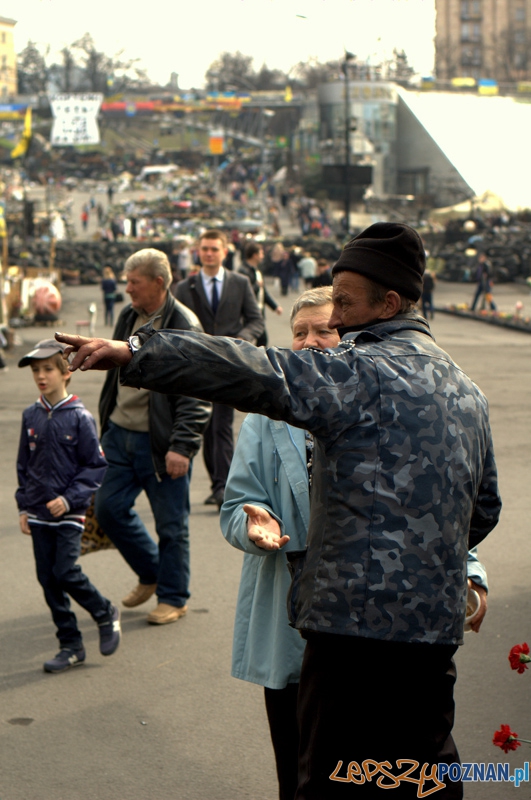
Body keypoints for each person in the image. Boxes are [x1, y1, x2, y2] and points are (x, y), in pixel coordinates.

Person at [57, 221, 501, 799]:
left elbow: (250, 369)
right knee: (425, 781)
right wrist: (423, 561)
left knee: (332, 782)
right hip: (431, 642)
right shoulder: (468, 390)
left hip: (349, 639)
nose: (336, 318)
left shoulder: (356, 371)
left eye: (344, 302)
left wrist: (136, 350)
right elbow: (483, 508)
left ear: (389, 303)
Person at [221, 286, 491, 800]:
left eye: (324, 329)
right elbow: (239, 504)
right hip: (290, 620)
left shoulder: (386, 408)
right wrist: (252, 527)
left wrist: (470, 572)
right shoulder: (265, 417)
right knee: (299, 769)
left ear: (353, 336)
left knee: (388, 771)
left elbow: (437, 507)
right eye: (299, 333)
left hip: (376, 626)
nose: (310, 341)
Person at [96, 248, 211, 625]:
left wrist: (182, 446)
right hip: (119, 434)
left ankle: (173, 597)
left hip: (160, 443)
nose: (126, 289)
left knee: (171, 525)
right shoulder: (129, 315)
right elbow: (115, 372)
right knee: (107, 509)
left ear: (159, 283)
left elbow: (197, 392)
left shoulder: (183, 324)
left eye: (134, 282)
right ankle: (152, 571)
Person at [16, 339, 121, 673]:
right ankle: (71, 645)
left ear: (66, 373)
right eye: (36, 371)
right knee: (48, 580)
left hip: (70, 512)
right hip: (38, 513)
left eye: (48, 369)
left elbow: (95, 466)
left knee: (65, 572)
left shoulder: (80, 417)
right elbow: (24, 466)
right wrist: (23, 507)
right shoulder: (31, 415)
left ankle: (104, 612)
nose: (41, 376)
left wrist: (68, 498)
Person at [176, 229, 263, 509]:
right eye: (205, 249)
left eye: (214, 249)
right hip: (198, 366)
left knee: (221, 424)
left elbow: (255, 320)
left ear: (225, 252)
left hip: (229, 363)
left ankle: (222, 485)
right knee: (207, 427)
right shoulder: (184, 287)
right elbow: (174, 325)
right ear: (198, 252)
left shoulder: (240, 283)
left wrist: (245, 339)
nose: (209, 253)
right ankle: (218, 483)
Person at [238, 241, 283, 347]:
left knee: (261, 340)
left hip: (259, 311)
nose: (263, 256)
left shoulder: (257, 271)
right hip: (248, 313)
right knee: (254, 339)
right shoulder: (243, 271)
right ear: (254, 255)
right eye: (261, 253)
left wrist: (275, 306)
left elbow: (264, 292)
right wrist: (257, 286)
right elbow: (243, 293)